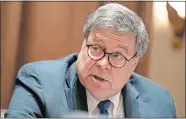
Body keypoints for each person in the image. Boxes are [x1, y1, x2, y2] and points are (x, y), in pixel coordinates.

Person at [5, 3, 176, 118]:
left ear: (134, 63)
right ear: (83, 43)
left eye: (117, 55)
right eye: (96, 48)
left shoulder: (159, 101)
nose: (102, 63)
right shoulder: (39, 82)